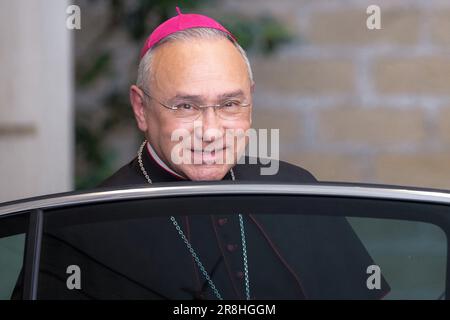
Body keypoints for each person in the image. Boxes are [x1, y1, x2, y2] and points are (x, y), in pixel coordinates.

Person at [28, 7, 389, 300]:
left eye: (231, 104)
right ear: (141, 108)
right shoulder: (80, 225)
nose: (211, 131)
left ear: (251, 101)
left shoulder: (298, 192)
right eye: (186, 106)